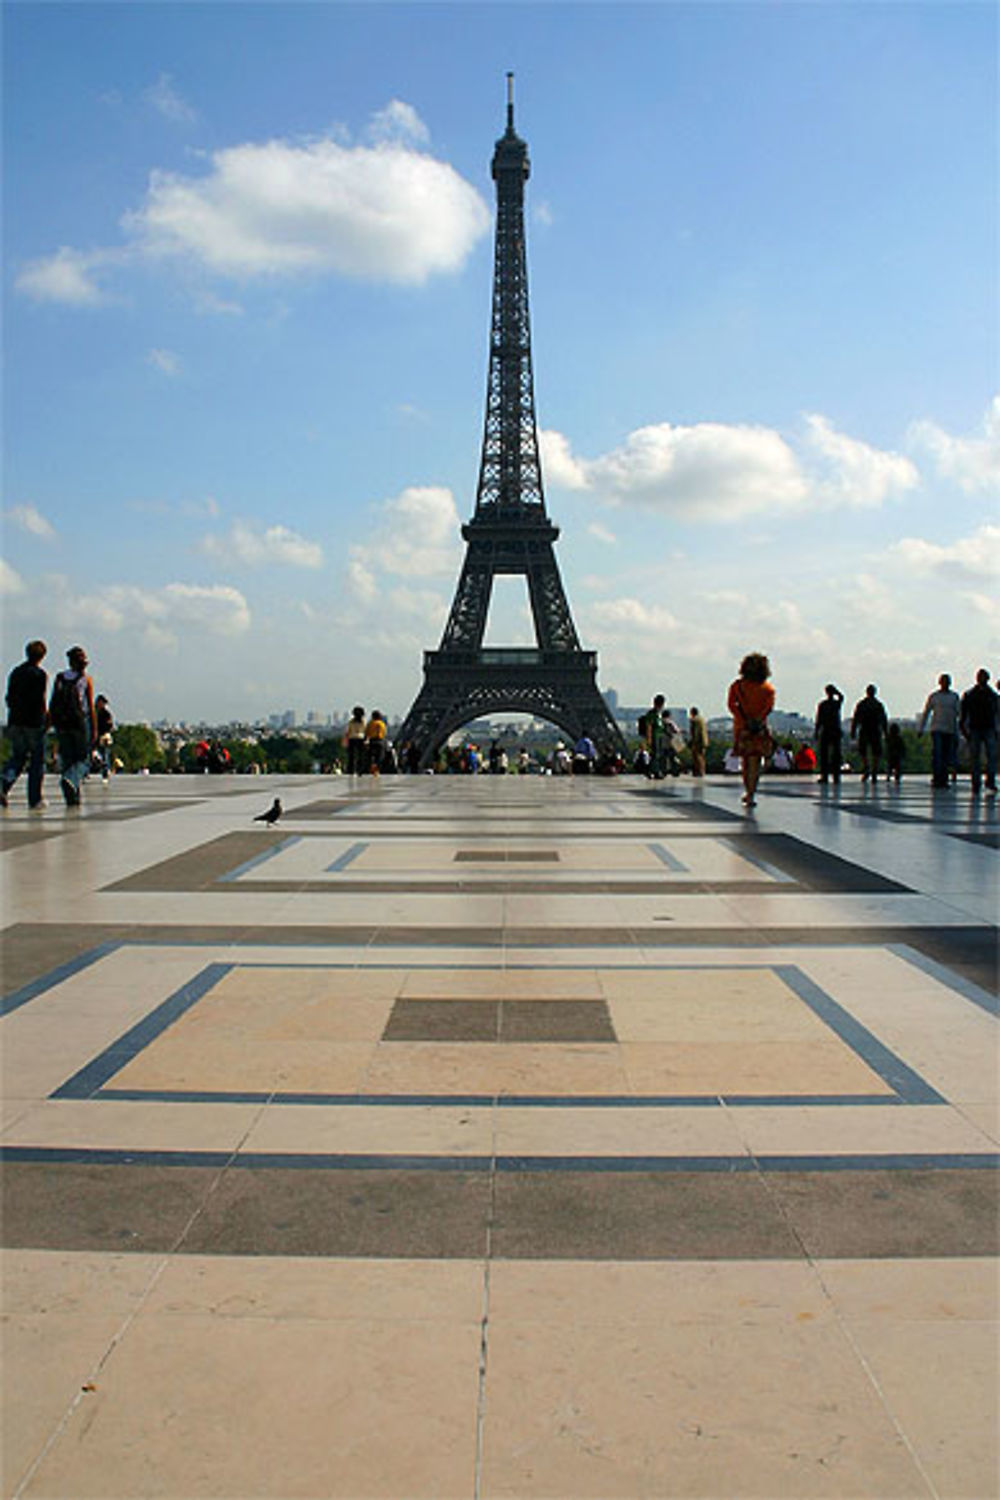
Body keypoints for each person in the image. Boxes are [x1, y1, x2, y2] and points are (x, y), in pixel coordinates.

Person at [1, 640, 49, 810]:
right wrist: (46, 719)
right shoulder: (40, 675)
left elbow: (9, 697)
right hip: (34, 723)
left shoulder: (16, 672)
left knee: (17, 758)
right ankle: (35, 799)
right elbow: (40, 700)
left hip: (16, 721)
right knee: (37, 762)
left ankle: (3, 783)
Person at [49, 645, 96, 807]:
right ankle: (71, 780)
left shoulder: (60, 677)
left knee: (68, 757)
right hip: (79, 722)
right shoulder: (86, 679)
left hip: (63, 723)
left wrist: (51, 722)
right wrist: (94, 729)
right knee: (84, 758)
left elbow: (53, 701)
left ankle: (73, 795)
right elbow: (90, 706)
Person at [727, 652, 775, 809]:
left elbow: (731, 705)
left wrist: (743, 719)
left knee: (745, 761)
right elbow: (768, 709)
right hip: (759, 728)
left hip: (742, 728)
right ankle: (752, 792)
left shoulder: (737, 686)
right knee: (755, 761)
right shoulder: (768, 689)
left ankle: (748, 790)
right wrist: (758, 719)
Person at [919, 673, 961, 789]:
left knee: (945, 755)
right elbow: (926, 712)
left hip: (949, 730)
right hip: (937, 729)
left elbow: (960, 713)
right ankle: (938, 777)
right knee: (938, 755)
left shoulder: (954, 697)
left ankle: (943, 778)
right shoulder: (934, 697)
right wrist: (921, 728)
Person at [960, 668, 999, 794]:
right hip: (978, 728)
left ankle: (987, 782)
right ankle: (979, 782)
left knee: (987, 757)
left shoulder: (987, 695)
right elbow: (964, 714)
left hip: (986, 728)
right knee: (978, 757)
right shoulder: (974, 695)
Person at [851, 684, 889, 781]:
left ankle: (867, 767)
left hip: (865, 729)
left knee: (863, 751)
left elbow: (856, 718)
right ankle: (874, 770)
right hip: (875, 730)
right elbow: (883, 719)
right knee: (876, 752)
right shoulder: (878, 704)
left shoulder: (862, 704)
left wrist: (853, 730)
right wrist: (885, 732)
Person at [814, 684, 844, 784]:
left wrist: (817, 731)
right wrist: (836, 692)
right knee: (834, 755)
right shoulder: (835, 704)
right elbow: (842, 697)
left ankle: (825, 776)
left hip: (827, 731)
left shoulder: (823, 705)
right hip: (834, 730)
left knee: (825, 755)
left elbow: (819, 720)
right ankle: (835, 776)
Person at [640, 694, 668, 778]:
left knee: (658, 754)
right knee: (655, 754)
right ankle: (654, 771)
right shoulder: (651, 714)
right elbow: (649, 726)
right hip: (655, 736)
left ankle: (654, 770)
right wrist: (649, 738)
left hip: (660, 736)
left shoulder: (659, 714)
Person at [94, 694, 114, 782]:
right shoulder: (95, 712)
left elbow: (110, 725)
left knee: (104, 754)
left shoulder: (105, 713)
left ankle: (105, 772)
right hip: (96, 735)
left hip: (102, 735)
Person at [344, 706, 366, 775]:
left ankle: (351, 770)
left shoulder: (351, 722)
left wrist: (345, 740)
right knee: (361, 756)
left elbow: (348, 731)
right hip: (360, 738)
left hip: (352, 739)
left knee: (351, 756)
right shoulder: (363, 722)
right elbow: (365, 731)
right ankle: (360, 770)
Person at [364, 710, 387, 776]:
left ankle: (371, 767)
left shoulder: (370, 723)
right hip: (380, 741)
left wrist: (365, 740)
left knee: (370, 756)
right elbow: (384, 733)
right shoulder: (382, 724)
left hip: (372, 741)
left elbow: (367, 733)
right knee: (380, 756)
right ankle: (377, 769)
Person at [688, 707, 708, 777]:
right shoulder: (702, 719)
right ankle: (702, 771)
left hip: (698, 742)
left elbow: (695, 732)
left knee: (696, 757)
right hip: (704, 741)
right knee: (702, 757)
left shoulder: (694, 720)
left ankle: (698, 771)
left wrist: (693, 742)